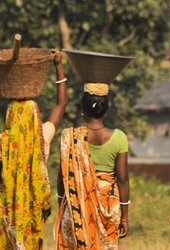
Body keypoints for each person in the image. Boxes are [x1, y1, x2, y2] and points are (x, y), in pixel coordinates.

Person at [0, 49, 67, 249]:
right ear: (35, 117)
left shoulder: (2, 144)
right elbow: (61, 105)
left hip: (5, 220)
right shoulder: (42, 139)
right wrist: (59, 67)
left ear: (10, 118)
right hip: (31, 218)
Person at [54, 83, 130, 250]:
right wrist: (124, 217)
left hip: (75, 206)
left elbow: (62, 176)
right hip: (108, 206)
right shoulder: (119, 138)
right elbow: (123, 179)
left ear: (83, 110)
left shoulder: (70, 138)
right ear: (106, 110)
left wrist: (62, 203)